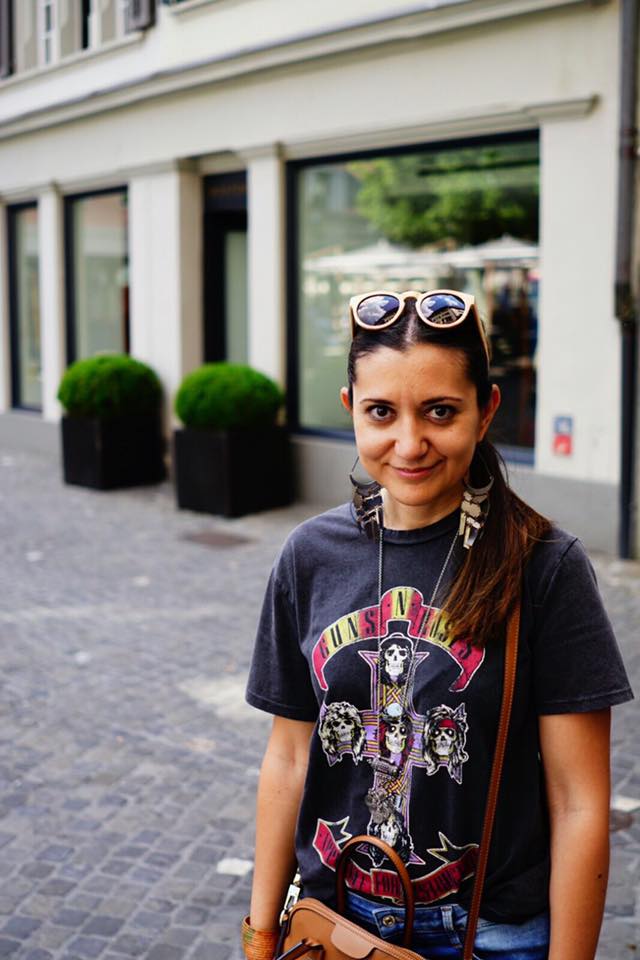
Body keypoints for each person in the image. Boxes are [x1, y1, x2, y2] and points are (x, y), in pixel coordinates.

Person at [243, 289, 633, 960]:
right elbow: (289, 758)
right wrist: (260, 935)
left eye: (440, 411)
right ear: (350, 409)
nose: (409, 443)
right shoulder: (309, 556)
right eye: (381, 412)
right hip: (335, 924)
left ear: (487, 411)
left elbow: (578, 802)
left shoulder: (544, 566)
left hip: (489, 934)